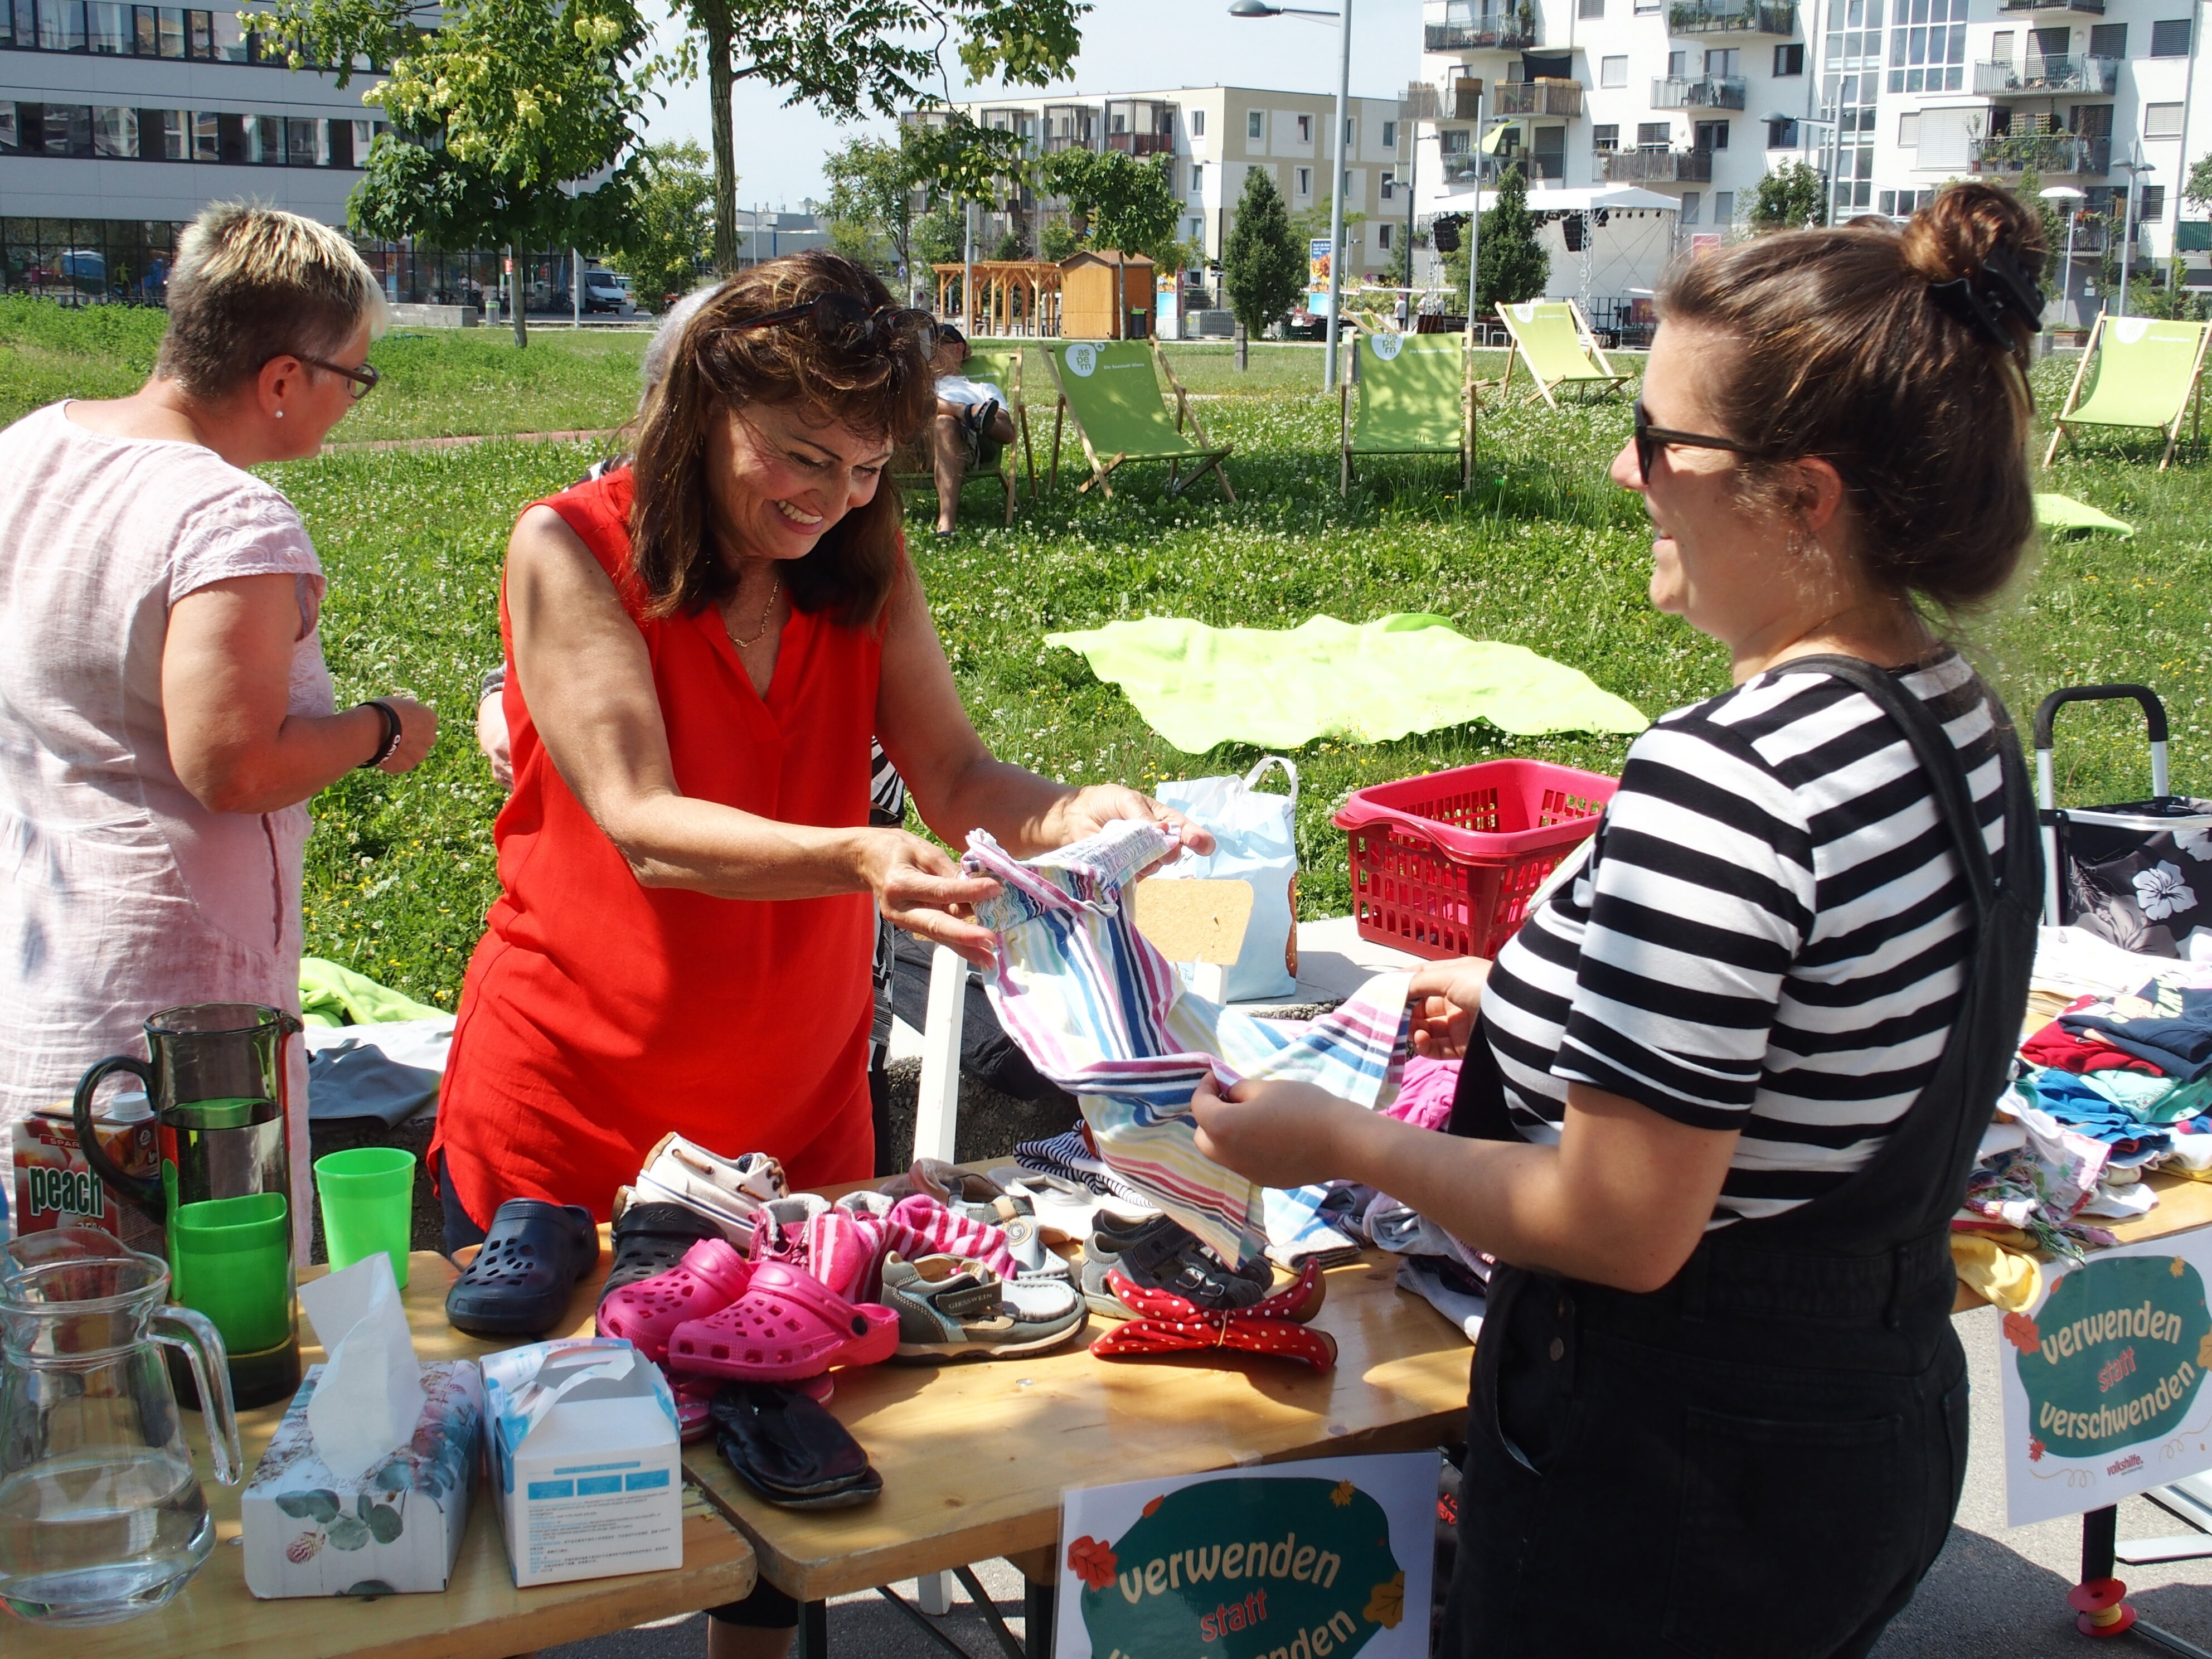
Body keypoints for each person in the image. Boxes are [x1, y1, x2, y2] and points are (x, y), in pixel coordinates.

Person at [1191, 183, 2045, 1657]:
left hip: (1681, 1466)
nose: (1622, 465)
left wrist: (1329, 1141)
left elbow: (1623, 1225)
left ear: (1806, 494)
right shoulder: (1956, 717)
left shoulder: (1734, 773)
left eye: (1660, 440)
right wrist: (1519, 984)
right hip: (1870, 1416)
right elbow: (1817, 1015)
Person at [0, 203, 436, 1217]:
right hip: (178, 1025)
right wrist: (380, 729)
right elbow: (233, 765)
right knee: (207, 1333)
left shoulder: (28, 449)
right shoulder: (225, 513)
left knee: (72, 1322)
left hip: (45, 971)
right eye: (353, 376)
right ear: (282, 378)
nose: (352, 401)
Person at [925, 323, 1017, 535]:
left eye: (937, 345)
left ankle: (946, 523)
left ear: (958, 349)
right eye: (925, 346)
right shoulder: (916, 383)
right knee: (919, 401)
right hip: (912, 444)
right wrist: (964, 411)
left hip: (958, 446)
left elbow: (1008, 433)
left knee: (944, 424)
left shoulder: (983, 389)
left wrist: (984, 419)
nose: (929, 352)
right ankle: (962, 412)